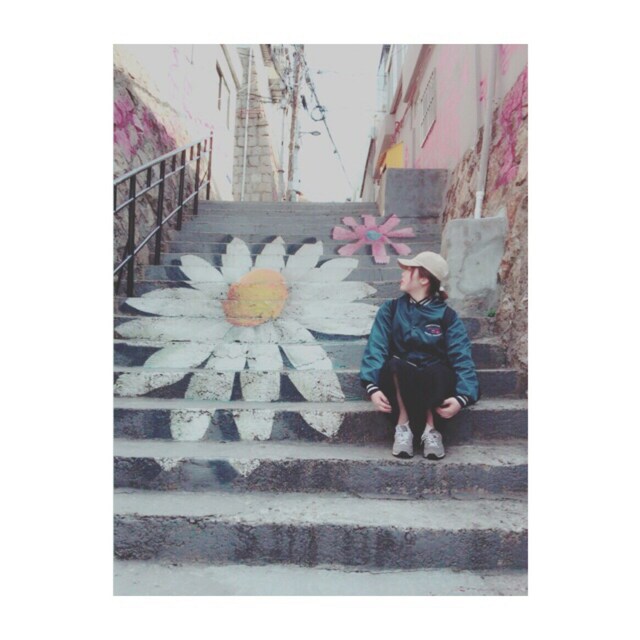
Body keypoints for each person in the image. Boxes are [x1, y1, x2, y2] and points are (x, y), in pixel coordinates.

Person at [360, 251, 479, 459]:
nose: (403, 273)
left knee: (438, 368)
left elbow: (461, 358)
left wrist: (463, 397)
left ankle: (431, 431)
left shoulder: (447, 316)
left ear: (424, 279)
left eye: (409, 270)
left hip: (435, 387)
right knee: (395, 364)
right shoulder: (391, 309)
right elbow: (376, 348)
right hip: (399, 383)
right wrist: (372, 387)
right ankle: (403, 427)